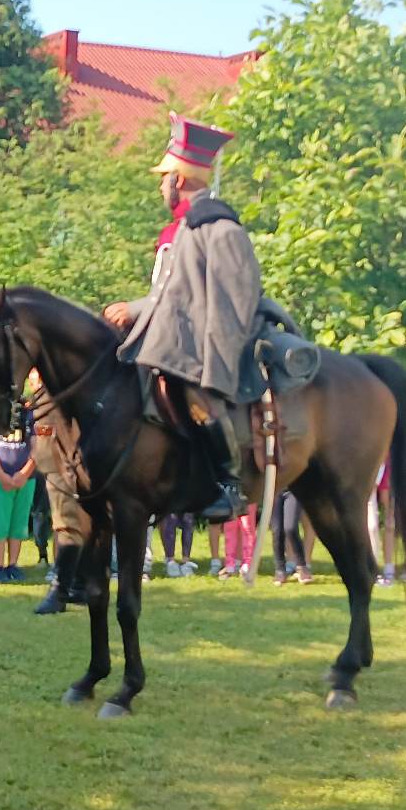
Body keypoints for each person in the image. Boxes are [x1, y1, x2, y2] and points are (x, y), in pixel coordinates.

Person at [102, 114, 254, 524]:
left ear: (180, 179)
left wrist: (139, 310)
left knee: (190, 393)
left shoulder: (218, 227)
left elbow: (230, 296)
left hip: (203, 341)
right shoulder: (184, 227)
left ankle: (229, 482)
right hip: (172, 334)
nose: (160, 186)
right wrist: (135, 310)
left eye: (164, 177)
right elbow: (168, 293)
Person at [30, 373, 91, 614]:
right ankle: (68, 586)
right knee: (66, 525)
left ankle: (70, 587)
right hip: (58, 466)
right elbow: (43, 433)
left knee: (80, 527)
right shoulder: (47, 394)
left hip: (77, 464)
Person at [0, 405, 38, 584]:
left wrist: (24, 474)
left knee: (19, 524)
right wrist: (1, 475)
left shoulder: (31, 416)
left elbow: (38, 449)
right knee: (0, 524)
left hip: (26, 480)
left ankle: (12, 564)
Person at [272, 490, 313, 585]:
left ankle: (301, 566)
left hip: (292, 490)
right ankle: (280, 569)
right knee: (277, 531)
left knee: (290, 528)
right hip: (274, 491)